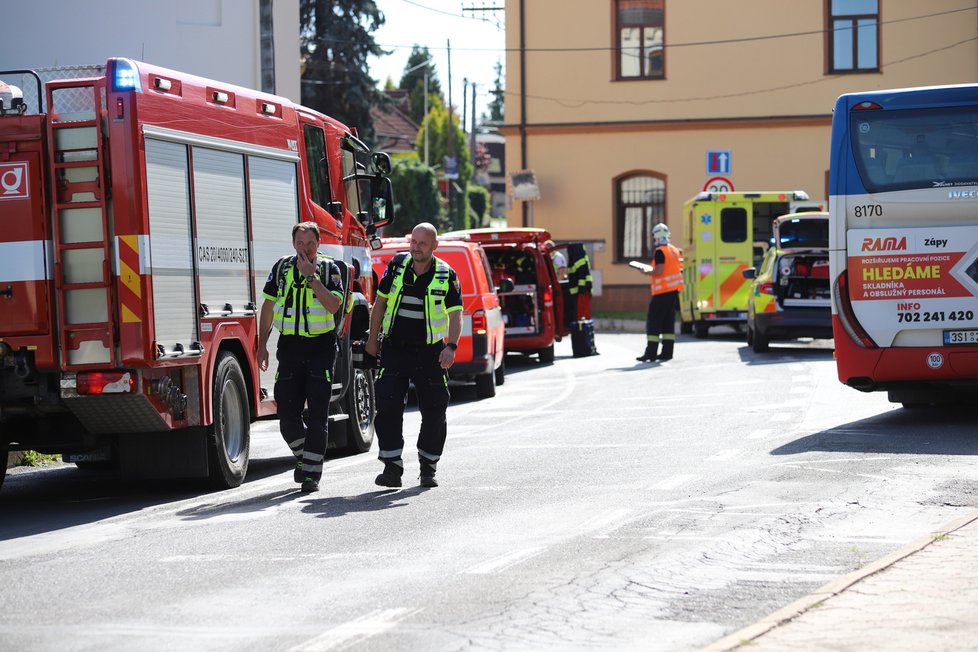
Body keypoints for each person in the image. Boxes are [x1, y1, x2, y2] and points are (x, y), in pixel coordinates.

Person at [365, 222, 463, 488]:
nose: (416, 247)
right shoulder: (396, 265)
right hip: (395, 348)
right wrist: (372, 341)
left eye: (422, 243)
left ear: (434, 246)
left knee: (434, 408)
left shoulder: (447, 274)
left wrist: (451, 346)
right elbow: (380, 303)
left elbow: (456, 314)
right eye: (413, 242)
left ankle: (428, 465)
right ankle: (392, 466)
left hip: (430, 351)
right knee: (387, 405)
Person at [257, 221, 344, 493]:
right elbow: (268, 307)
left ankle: (311, 476)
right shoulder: (282, 268)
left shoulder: (330, 269)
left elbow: (332, 306)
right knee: (287, 414)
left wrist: (311, 277)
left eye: (310, 244)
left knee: (318, 413)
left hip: (321, 347)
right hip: (291, 347)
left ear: (318, 244)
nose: (305, 248)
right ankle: (305, 456)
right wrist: (262, 345)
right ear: (293, 244)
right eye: (300, 243)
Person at [636, 223, 684, 362]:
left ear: (655, 237)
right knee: (668, 323)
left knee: (654, 322)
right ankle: (667, 353)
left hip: (662, 293)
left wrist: (645, 271)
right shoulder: (674, 250)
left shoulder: (660, 252)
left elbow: (659, 271)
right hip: (673, 292)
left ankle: (650, 353)